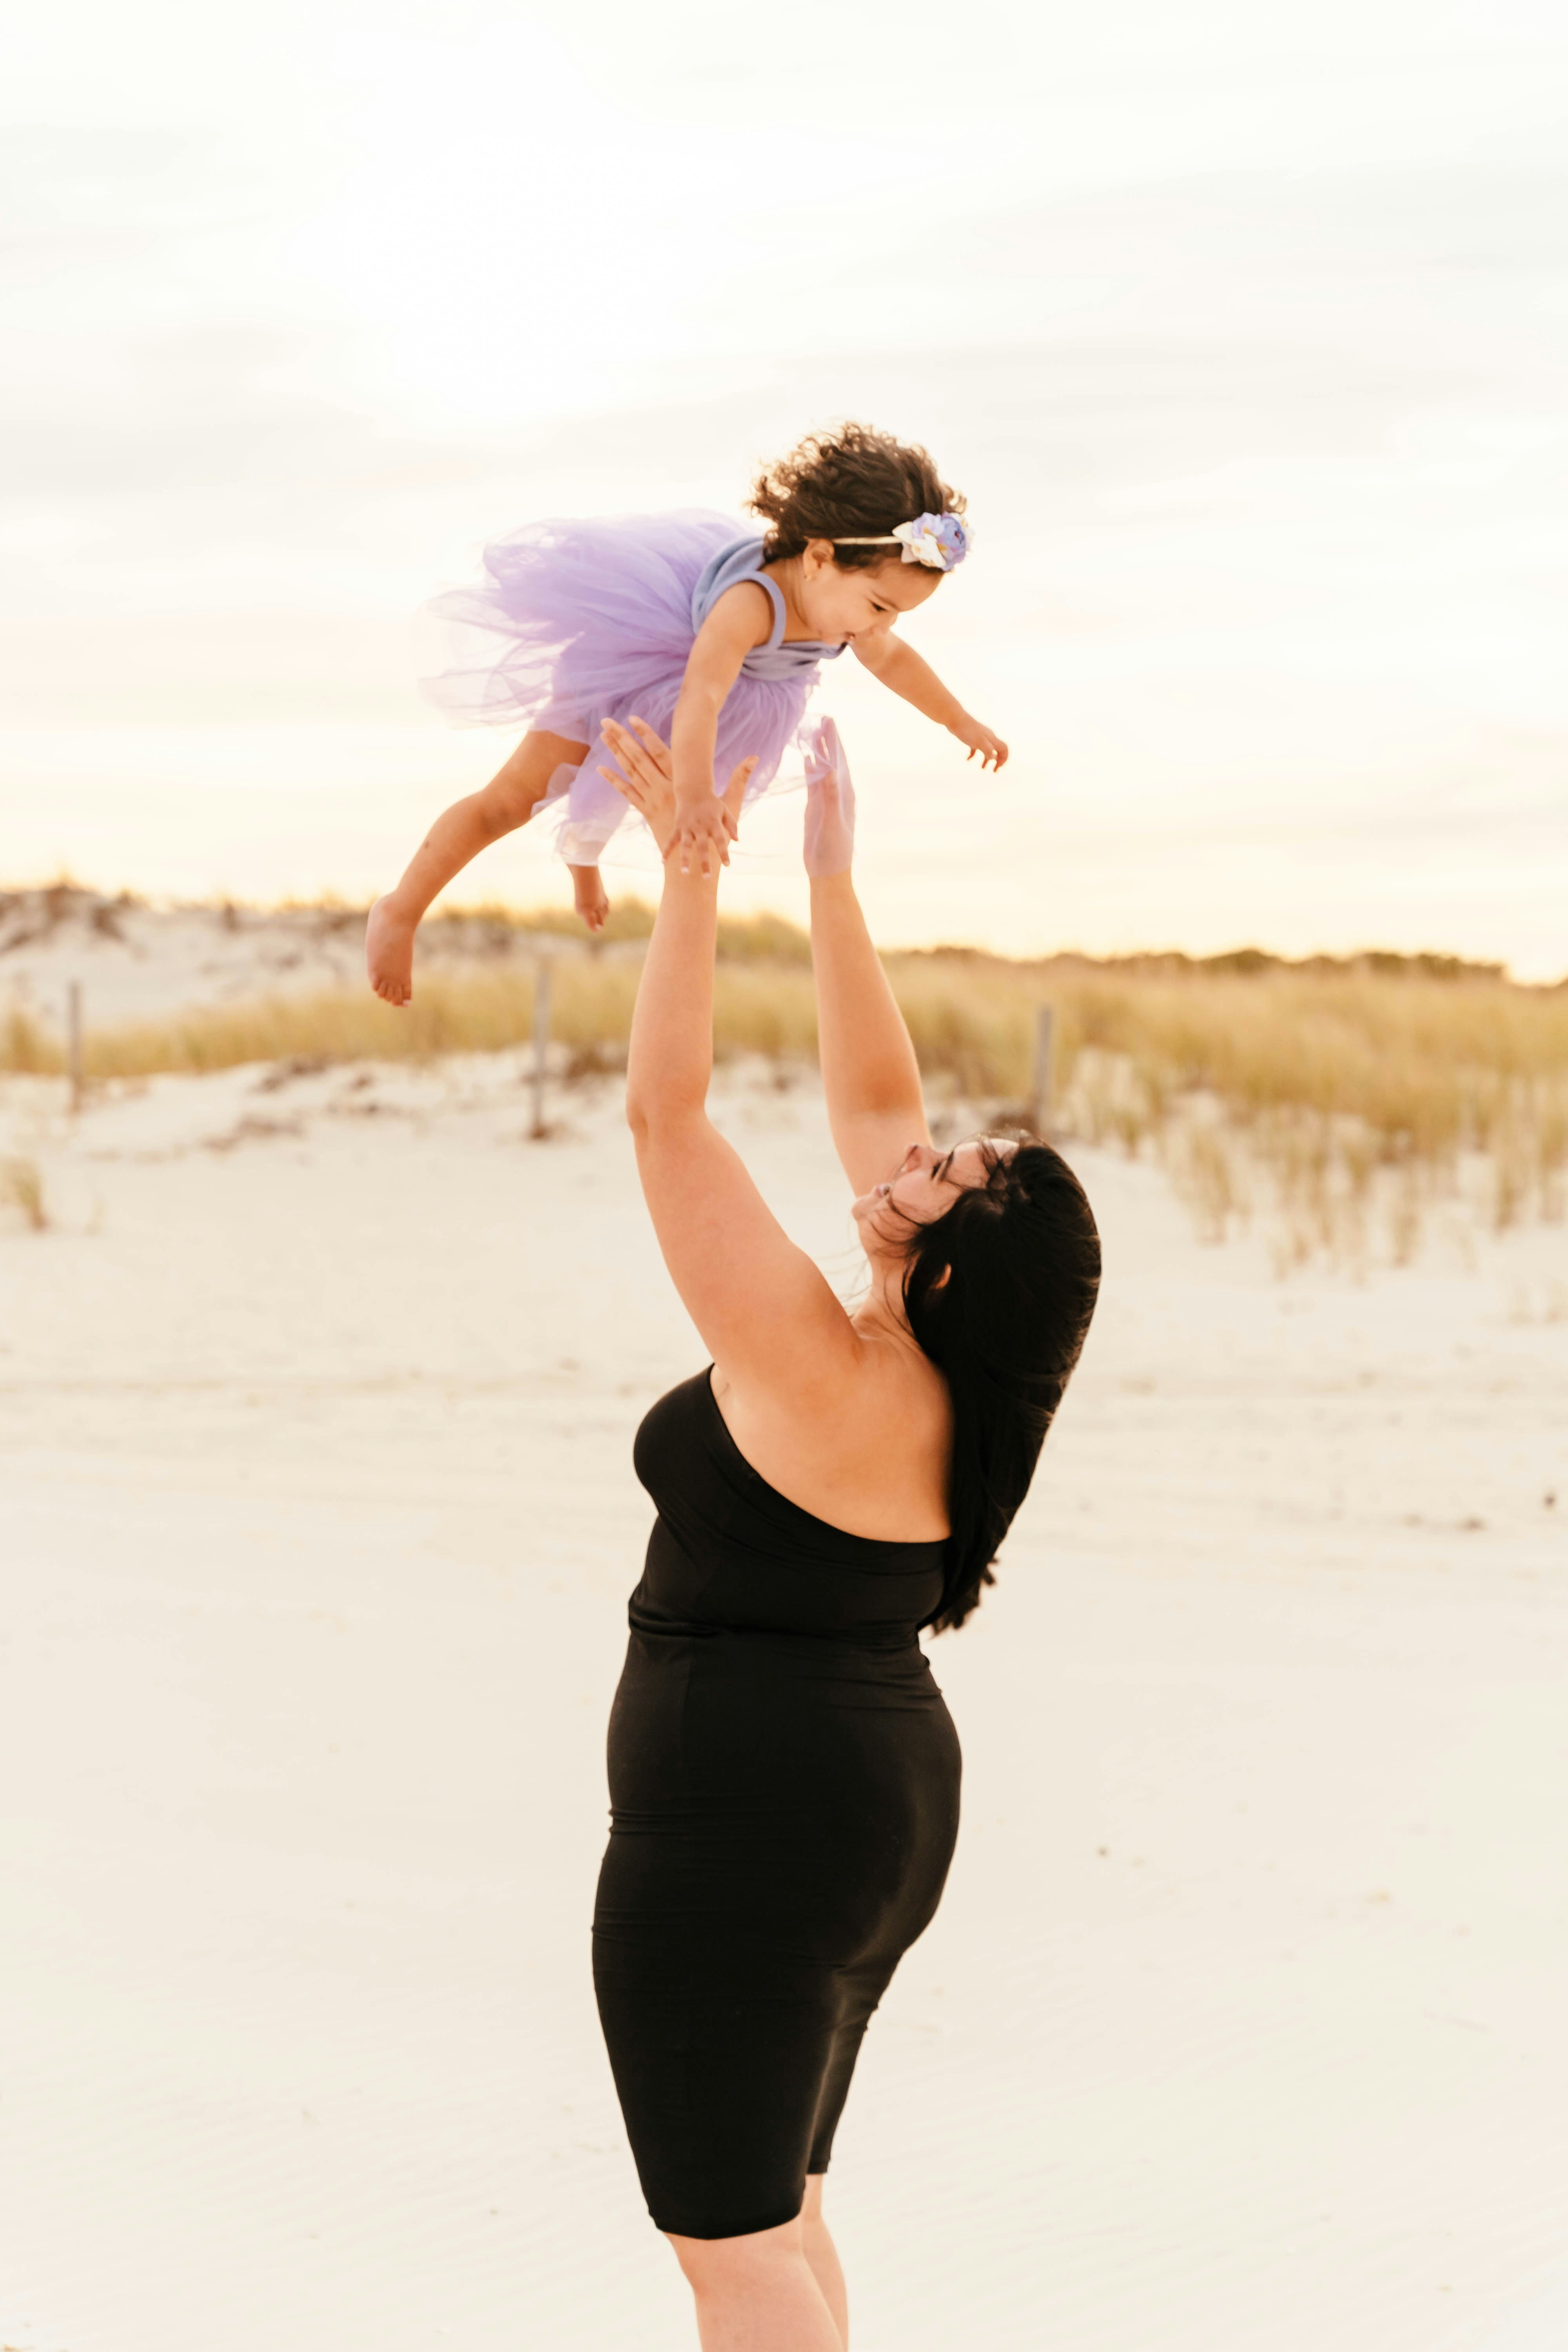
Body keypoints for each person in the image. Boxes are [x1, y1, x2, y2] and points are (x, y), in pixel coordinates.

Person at [592, 712, 1100, 2350]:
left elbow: (669, 1121)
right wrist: (827, 880)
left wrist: (689, 876)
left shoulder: (829, 1366)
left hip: (759, 1828)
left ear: (941, 1265)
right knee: (779, 2215)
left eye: (938, 1178)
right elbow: (874, 1092)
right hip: (863, 1808)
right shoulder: (942, 1379)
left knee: (729, 2246)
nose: (908, 1158)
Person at [365, 423, 1007, 1002]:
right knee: (514, 798)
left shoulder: (846, 610)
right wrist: (695, 795)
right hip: (637, 665)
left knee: (622, 787)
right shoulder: (753, 602)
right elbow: (701, 692)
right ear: (817, 559)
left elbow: (892, 659)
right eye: (878, 606)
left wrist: (958, 720)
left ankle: (581, 858)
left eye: (898, 613)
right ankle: (400, 909)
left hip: (721, 707)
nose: (884, 625)